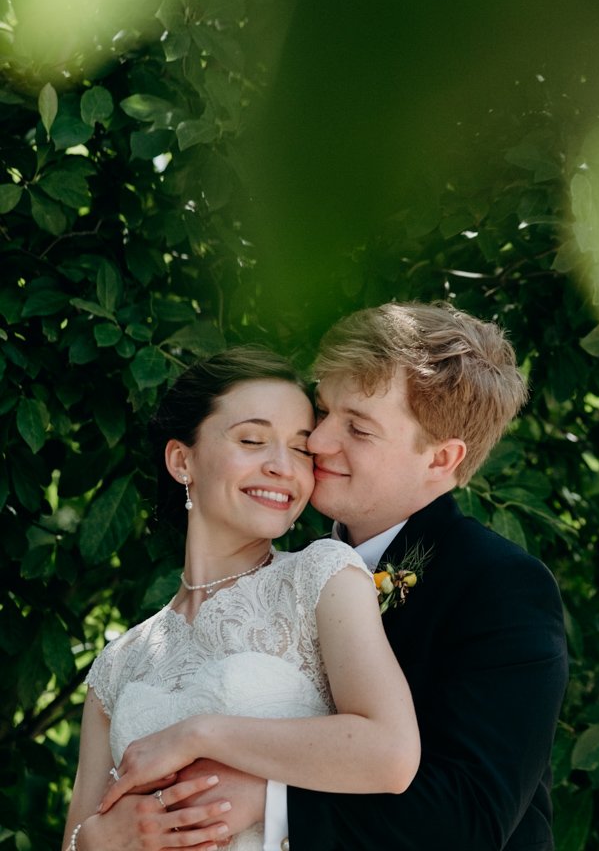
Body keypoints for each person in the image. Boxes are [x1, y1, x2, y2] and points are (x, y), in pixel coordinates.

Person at [185, 302, 568, 849]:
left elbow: (469, 817)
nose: (316, 442)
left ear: (441, 459)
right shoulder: (283, 572)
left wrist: (273, 801)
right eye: (323, 412)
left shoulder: (501, 587)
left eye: (358, 429)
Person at [63, 347, 421, 851]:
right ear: (181, 460)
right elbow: (76, 835)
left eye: (300, 449)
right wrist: (102, 838)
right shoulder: (117, 665)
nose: (281, 466)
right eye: (252, 440)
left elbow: (392, 753)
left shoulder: (324, 575)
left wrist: (200, 733)